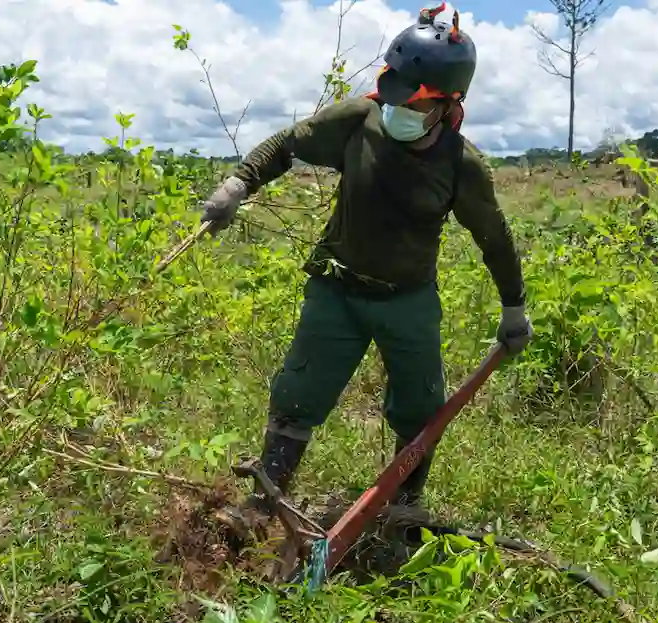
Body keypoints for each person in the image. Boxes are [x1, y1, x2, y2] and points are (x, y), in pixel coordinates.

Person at [200, 2, 532, 513]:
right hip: (338, 289)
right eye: (393, 90)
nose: (395, 107)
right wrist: (237, 184)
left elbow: (494, 237)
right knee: (296, 396)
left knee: (421, 408)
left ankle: (402, 509)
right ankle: (265, 504)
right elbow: (287, 145)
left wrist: (514, 307)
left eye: (413, 103)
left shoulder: (461, 166)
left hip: (408, 300)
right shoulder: (359, 120)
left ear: (447, 104)